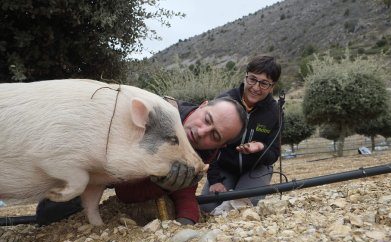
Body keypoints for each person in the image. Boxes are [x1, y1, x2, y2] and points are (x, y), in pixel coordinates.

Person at [36, 97, 247, 226]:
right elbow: (122, 188)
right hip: (85, 155)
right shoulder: (156, 113)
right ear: (202, 105)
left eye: (215, 136)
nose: (201, 132)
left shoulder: (200, 155)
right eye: (207, 119)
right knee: (48, 214)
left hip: (117, 177)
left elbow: (182, 194)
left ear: (220, 146)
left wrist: (185, 221)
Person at [200, 55, 283, 213]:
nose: (256, 88)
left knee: (246, 205)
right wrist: (214, 179)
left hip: (256, 168)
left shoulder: (275, 112)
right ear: (245, 76)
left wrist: (260, 147)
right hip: (224, 168)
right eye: (252, 79)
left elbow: (274, 154)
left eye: (264, 83)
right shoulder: (224, 101)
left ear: (272, 86)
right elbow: (208, 147)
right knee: (207, 207)